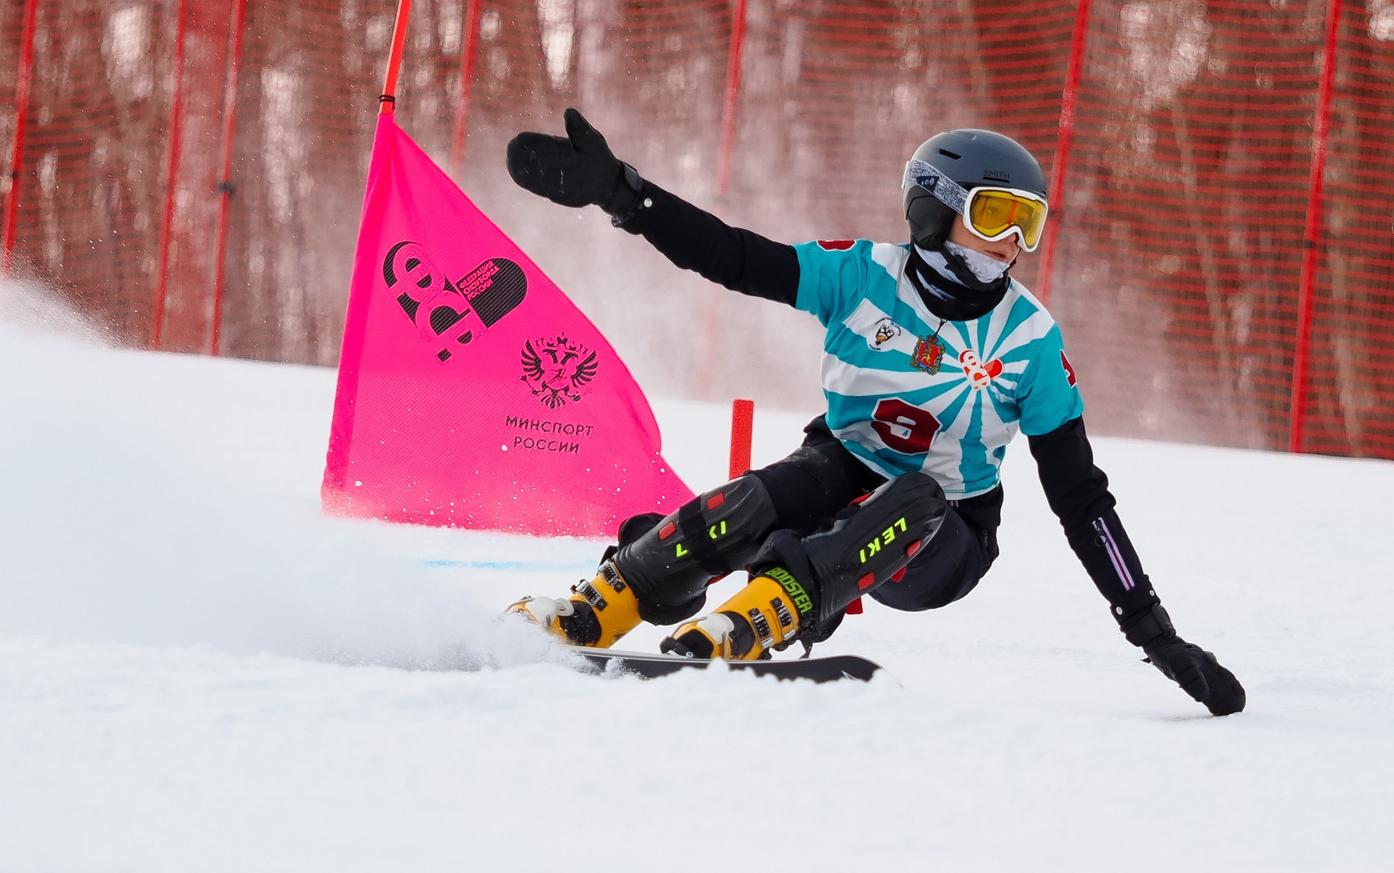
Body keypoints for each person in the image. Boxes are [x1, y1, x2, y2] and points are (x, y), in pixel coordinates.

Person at [503, 111, 1244, 714]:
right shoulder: (860, 275)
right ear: (935, 208)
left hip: (944, 537)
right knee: (760, 496)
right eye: (997, 215)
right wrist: (630, 196)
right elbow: (734, 256)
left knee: (915, 491)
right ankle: (604, 603)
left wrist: (1154, 630)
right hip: (842, 469)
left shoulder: (1031, 341)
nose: (1014, 243)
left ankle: (768, 610)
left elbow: (1083, 500)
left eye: (1030, 223)